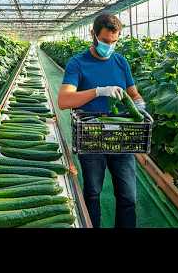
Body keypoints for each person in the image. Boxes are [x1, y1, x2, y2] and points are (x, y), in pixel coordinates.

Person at [57, 13, 146, 228]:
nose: (110, 46)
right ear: (93, 35)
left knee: (128, 197)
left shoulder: (120, 61)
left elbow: (133, 94)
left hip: (121, 136)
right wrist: (98, 91)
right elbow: (64, 100)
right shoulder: (77, 63)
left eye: (115, 41)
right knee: (93, 194)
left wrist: (140, 105)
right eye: (106, 41)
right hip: (91, 135)